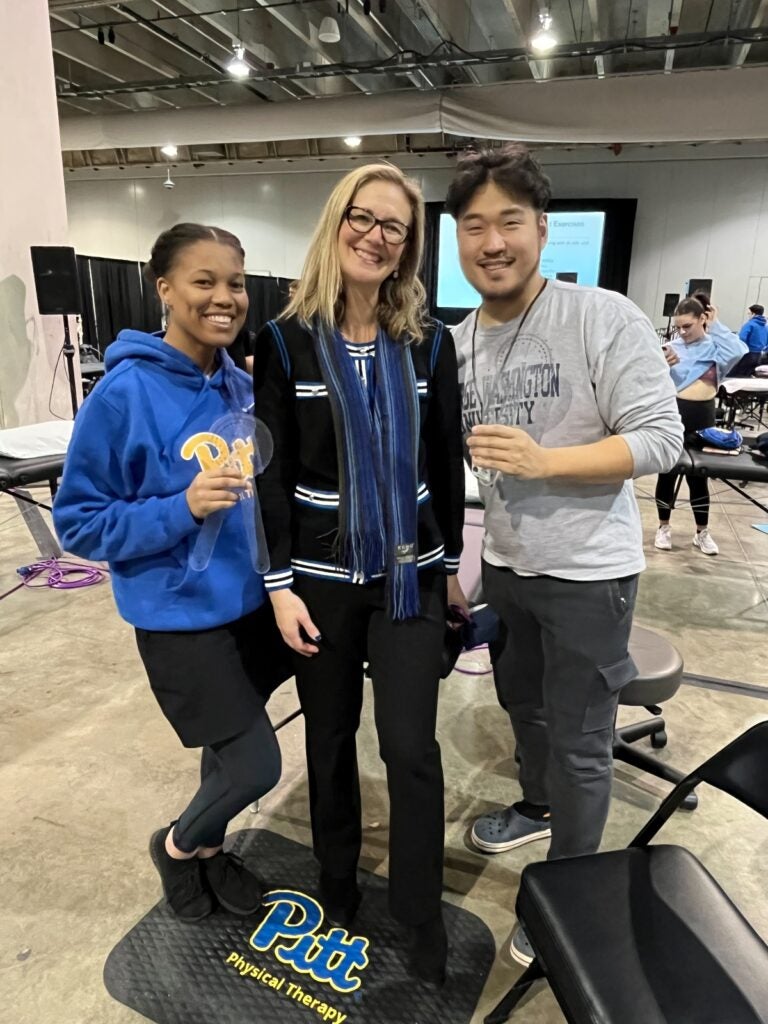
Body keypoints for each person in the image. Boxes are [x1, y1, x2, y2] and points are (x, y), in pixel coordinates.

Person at [445, 144, 684, 967]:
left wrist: (547, 462)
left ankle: (569, 897)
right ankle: (538, 807)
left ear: (543, 231)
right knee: (525, 710)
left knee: (584, 740)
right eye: (473, 226)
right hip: (509, 566)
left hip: (590, 574)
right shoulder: (457, 340)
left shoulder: (600, 316)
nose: (492, 241)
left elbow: (660, 438)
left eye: (510, 221)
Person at [253, 164, 465, 985]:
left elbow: (442, 465)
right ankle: (336, 883)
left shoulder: (430, 342)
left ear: (409, 247)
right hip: (318, 581)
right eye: (363, 219)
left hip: (408, 578)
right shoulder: (281, 341)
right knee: (329, 738)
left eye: (396, 228)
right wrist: (277, 587)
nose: (377, 237)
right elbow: (267, 476)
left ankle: (419, 912)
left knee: (411, 746)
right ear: (336, 223)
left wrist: (448, 571)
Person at [53, 223, 291, 924]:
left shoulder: (240, 385)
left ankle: (214, 854)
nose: (224, 298)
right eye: (204, 282)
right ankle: (180, 846)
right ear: (164, 289)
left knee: (226, 753)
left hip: (250, 608)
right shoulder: (122, 395)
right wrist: (180, 508)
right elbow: (79, 523)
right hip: (179, 620)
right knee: (257, 767)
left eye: (236, 283)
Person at [655, 293, 746, 555]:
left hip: (704, 419)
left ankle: (702, 532)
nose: (682, 332)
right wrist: (661, 365)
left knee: (699, 479)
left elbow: (739, 351)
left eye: (688, 326)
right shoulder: (670, 348)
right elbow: (650, 379)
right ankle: (663, 527)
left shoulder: (716, 348)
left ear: (702, 319)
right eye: (679, 327)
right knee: (667, 473)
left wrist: (716, 325)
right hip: (674, 418)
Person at [730, 303, 768, 377]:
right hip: (759, 356)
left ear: (753, 314)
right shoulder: (765, 327)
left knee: (734, 375)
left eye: (749, 313)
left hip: (748, 354)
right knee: (747, 376)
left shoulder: (750, 324)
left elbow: (742, 339)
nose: (749, 315)